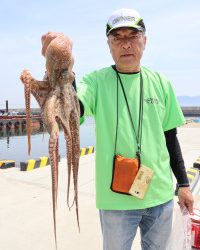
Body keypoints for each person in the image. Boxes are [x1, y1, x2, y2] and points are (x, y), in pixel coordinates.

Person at [41, 8, 194, 250]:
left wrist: (183, 185)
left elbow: (170, 137)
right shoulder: (95, 82)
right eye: (118, 38)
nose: (126, 44)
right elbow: (73, 109)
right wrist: (59, 70)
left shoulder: (161, 83)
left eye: (132, 36)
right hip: (116, 202)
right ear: (109, 44)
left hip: (161, 196)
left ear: (144, 40)